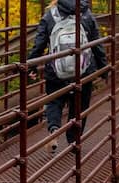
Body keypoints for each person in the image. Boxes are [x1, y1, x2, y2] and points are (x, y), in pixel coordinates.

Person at [28, 0, 107, 154]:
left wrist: (32, 66)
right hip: (83, 70)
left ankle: (54, 129)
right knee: (80, 106)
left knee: (54, 101)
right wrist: (104, 69)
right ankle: (74, 142)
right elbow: (97, 44)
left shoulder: (50, 15)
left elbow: (39, 44)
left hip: (56, 70)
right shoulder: (86, 13)